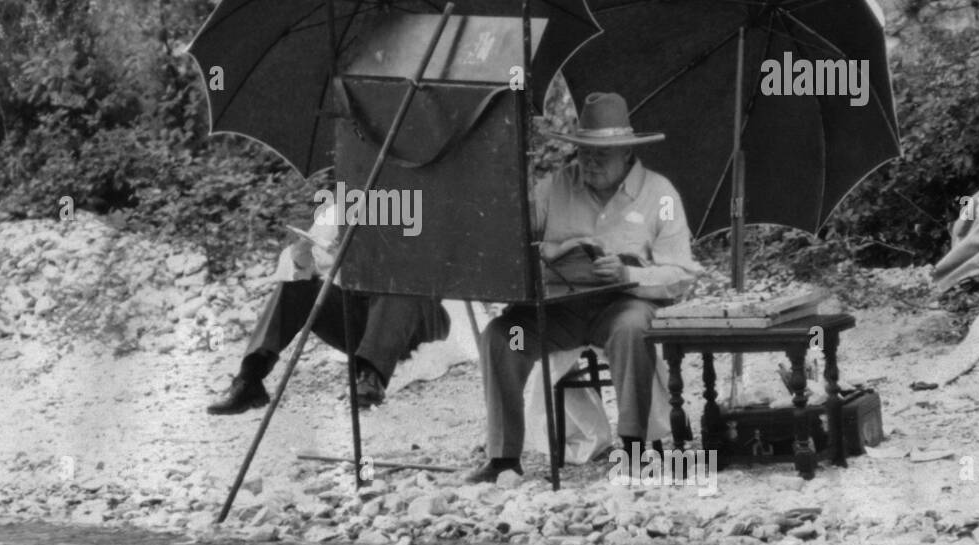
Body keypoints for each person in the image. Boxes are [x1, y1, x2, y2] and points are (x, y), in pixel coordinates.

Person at [467, 92, 702, 483]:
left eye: (601, 154)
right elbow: (513, 237)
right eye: (584, 152)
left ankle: (634, 446)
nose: (589, 162)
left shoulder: (659, 195)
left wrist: (629, 276)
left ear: (627, 153)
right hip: (558, 314)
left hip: (622, 306)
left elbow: (681, 272)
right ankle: (504, 458)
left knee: (632, 331)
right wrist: (543, 249)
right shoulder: (556, 186)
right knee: (504, 337)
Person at [208, 199, 450, 414]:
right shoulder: (341, 210)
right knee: (298, 288)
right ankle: (250, 377)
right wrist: (301, 258)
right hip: (361, 323)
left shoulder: (424, 206)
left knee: (401, 286)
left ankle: (371, 377)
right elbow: (288, 271)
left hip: (416, 324)